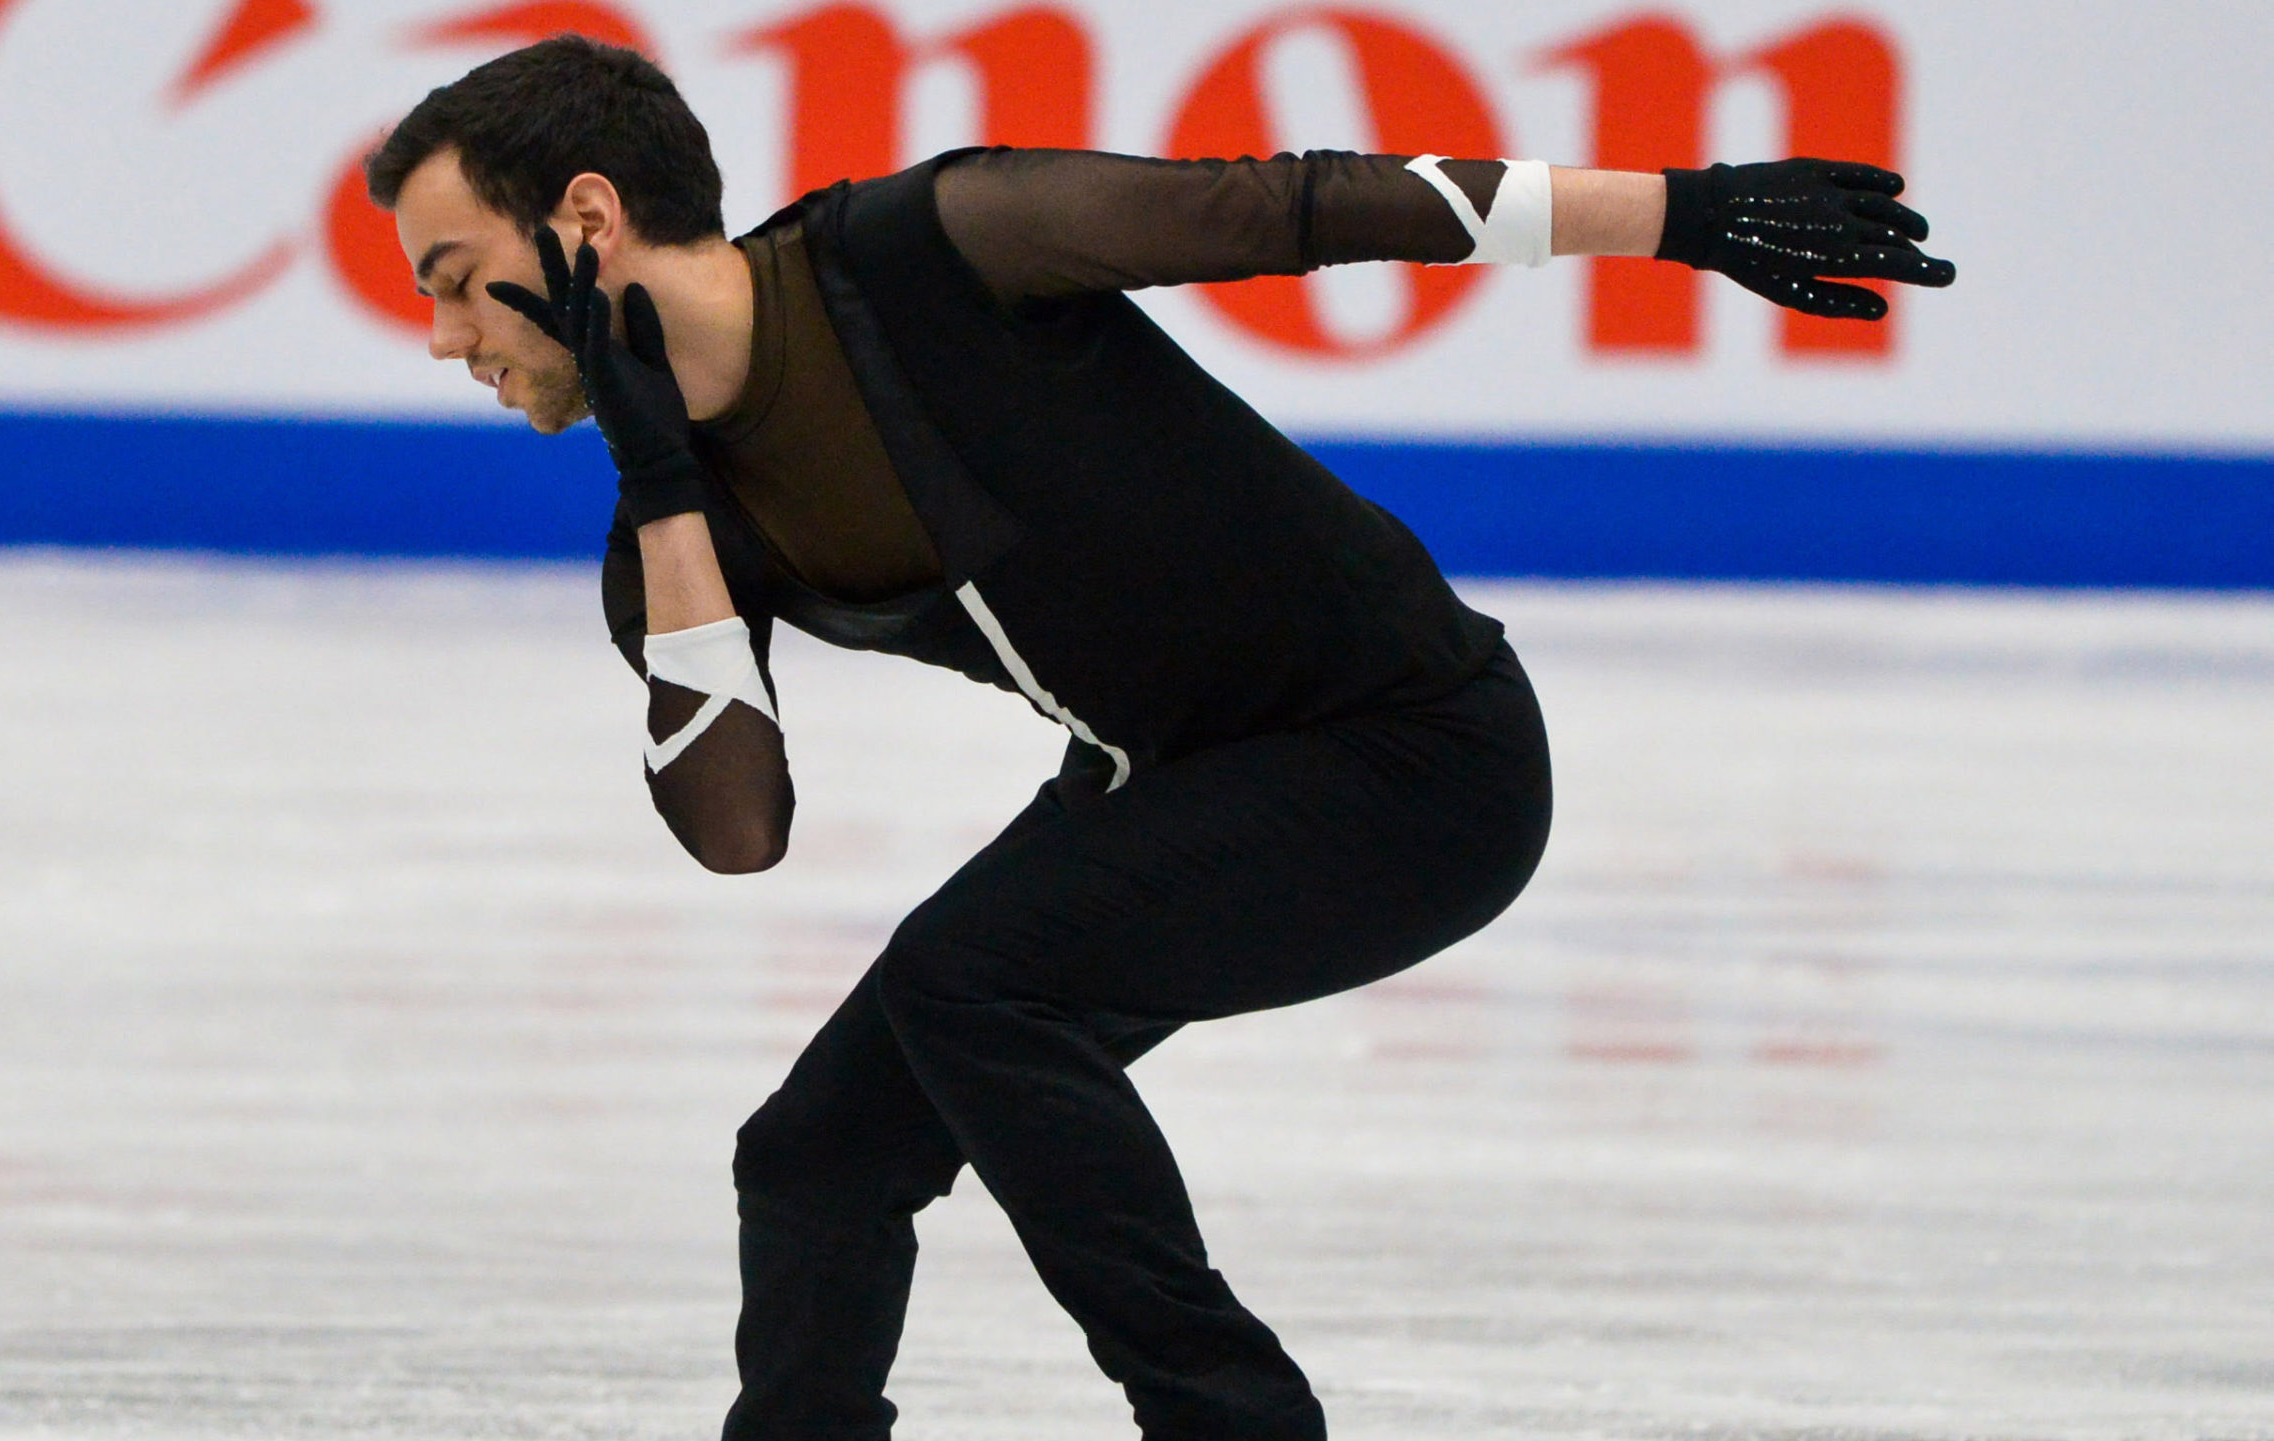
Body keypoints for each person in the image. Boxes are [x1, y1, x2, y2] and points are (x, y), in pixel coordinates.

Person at [366, 33, 1953, 1441]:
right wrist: (664, 495)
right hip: (1172, 771)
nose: (447, 338)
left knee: (972, 976)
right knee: (815, 1161)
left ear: (583, 220)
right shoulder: (674, 522)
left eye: (450, 275)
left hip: (1415, 750)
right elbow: (736, 829)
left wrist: (1674, 212)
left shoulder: (926, 249)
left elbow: (1292, 206)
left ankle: (1230, 1419)